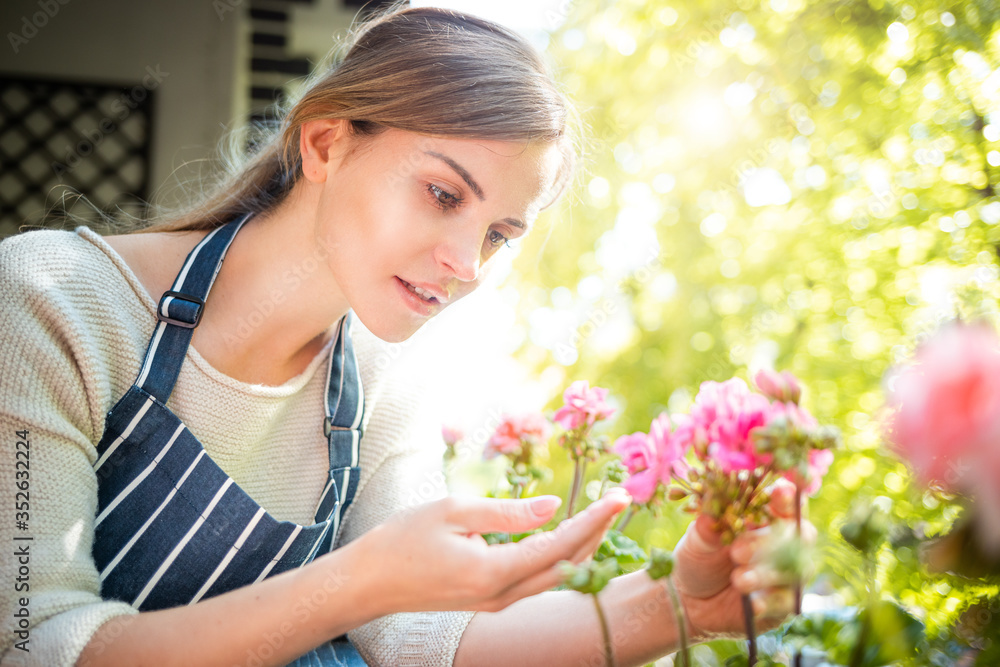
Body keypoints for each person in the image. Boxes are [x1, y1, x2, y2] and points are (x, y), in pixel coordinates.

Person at [0, 4, 799, 666]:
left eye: (498, 234)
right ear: (325, 142)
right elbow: (34, 643)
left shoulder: (381, 381)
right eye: (443, 193)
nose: (467, 265)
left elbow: (425, 637)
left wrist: (687, 604)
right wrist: (356, 583)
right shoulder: (54, 300)